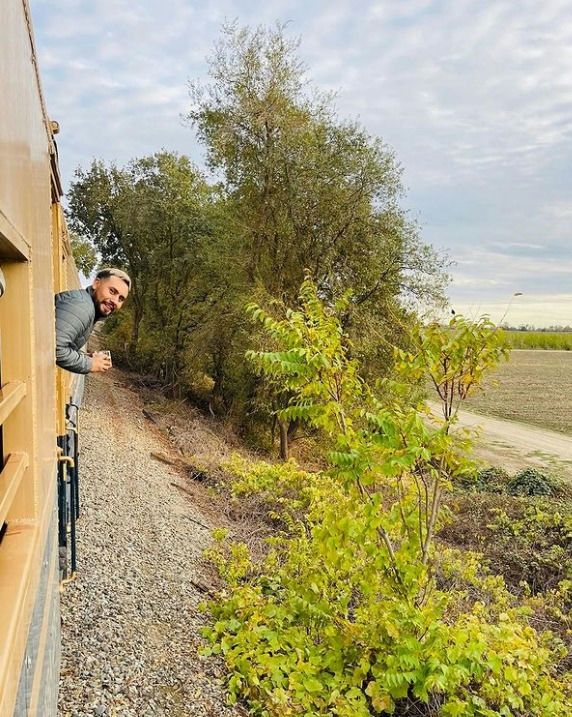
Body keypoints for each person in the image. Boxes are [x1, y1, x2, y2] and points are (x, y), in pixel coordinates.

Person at [55, 268, 131, 374]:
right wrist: (90, 364)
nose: (115, 301)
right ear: (96, 283)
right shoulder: (82, 307)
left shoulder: (89, 307)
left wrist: (88, 358)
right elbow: (54, 348)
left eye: (121, 299)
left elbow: (62, 343)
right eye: (112, 291)